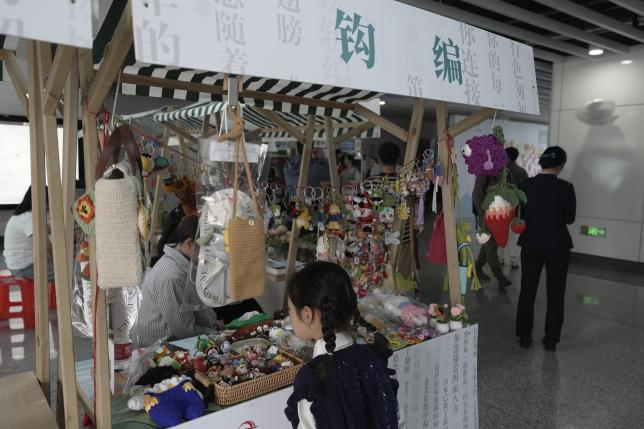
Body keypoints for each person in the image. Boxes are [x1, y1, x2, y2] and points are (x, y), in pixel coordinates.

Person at [284, 262, 400, 428]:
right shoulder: (373, 356)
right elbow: (395, 416)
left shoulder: (311, 377)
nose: (290, 317)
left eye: (290, 311)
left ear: (307, 314)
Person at [516, 146, 576, 351]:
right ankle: (551, 340)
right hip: (558, 245)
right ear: (560, 165)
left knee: (527, 290)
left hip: (531, 243)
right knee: (556, 293)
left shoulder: (525, 185)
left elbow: (520, 215)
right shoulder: (566, 187)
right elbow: (569, 219)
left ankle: (524, 336)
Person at [131, 215, 219, 347]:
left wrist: (213, 323)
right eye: (208, 248)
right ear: (190, 244)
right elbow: (185, 331)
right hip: (161, 350)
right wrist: (214, 332)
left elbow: (196, 311)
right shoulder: (172, 276)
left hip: (179, 340)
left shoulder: (182, 263)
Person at [3, 186, 54, 281]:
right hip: (25, 268)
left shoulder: (25, 215)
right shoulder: (29, 219)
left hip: (18, 265)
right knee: (69, 270)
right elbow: (46, 245)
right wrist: (59, 260)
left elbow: (51, 227)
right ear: (44, 201)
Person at [473, 173, 513, 288]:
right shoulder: (484, 175)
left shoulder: (502, 173)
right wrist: (484, 213)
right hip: (487, 216)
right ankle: (500, 277)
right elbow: (477, 196)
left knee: (489, 244)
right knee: (491, 246)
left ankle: (477, 267)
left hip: (498, 215)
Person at [502, 147, 529, 268]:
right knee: (516, 234)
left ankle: (504, 258)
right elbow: (526, 192)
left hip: (503, 206)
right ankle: (515, 260)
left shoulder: (502, 171)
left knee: (504, 233)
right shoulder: (522, 172)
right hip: (518, 208)